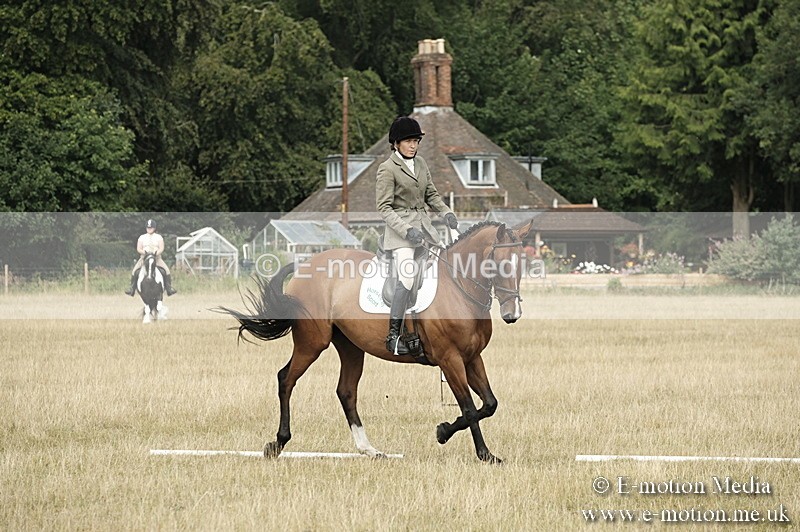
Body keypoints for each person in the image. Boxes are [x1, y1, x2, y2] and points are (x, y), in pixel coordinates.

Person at [376, 116, 459, 355]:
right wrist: (406, 230)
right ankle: (394, 335)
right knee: (408, 277)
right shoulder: (387, 169)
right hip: (401, 236)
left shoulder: (421, 163)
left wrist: (447, 214)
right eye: (409, 141)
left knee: (443, 269)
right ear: (396, 143)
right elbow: (384, 208)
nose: (413, 145)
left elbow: (431, 196)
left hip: (426, 231)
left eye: (416, 141)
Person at [124, 219, 177, 296]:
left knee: (166, 270)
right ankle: (132, 289)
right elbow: (139, 248)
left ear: (154, 228)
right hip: (144, 258)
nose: (149, 229)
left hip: (156, 258)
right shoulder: (142, 237)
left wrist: (155, 254)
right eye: (148, 228)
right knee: (134, 271)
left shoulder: (159, 237)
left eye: (151, 228)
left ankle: (169, 288)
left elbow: (161, 248)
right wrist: (145, 253)